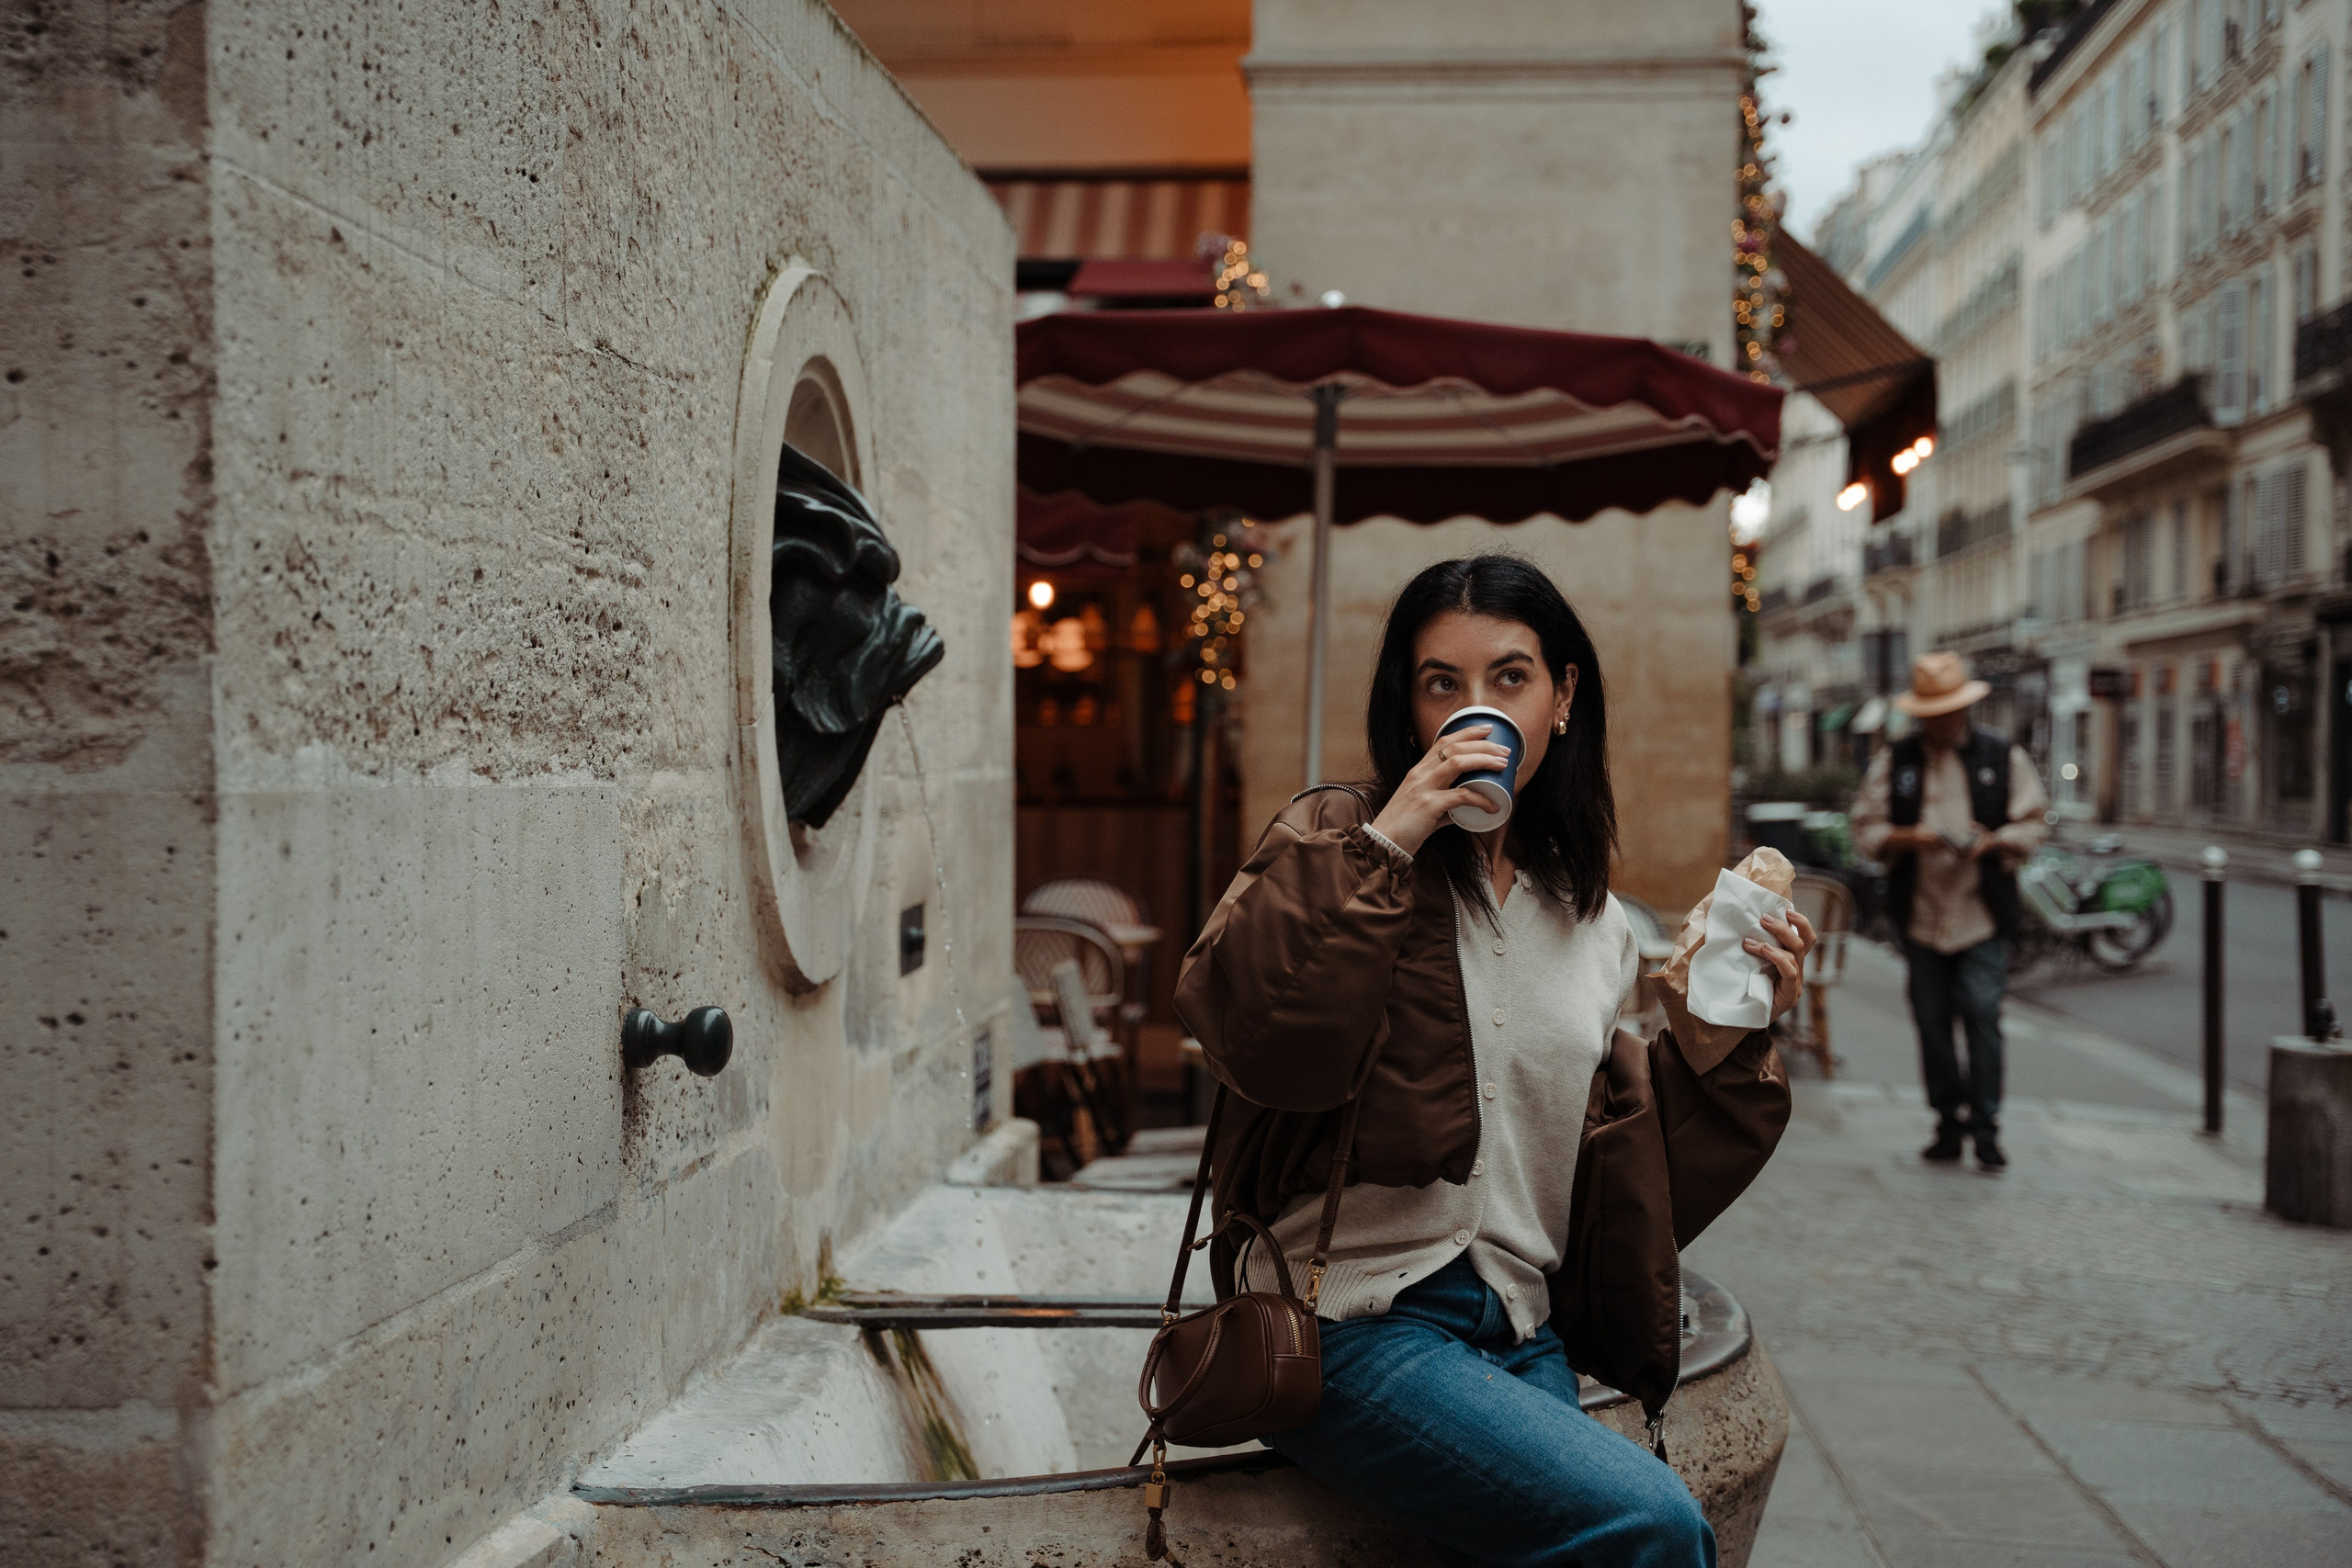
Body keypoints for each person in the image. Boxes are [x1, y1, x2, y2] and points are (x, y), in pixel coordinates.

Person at [1175, 556, 1814, 1568]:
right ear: (1410, 705)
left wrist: (1725, 1042)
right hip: (1347, 1323)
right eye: (1443, 683)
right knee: (1648, 1524)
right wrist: (1389, 843)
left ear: (1561, 697)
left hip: (1521, 1330)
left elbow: (1615, 1181)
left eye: (1509, 678)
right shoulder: (1334, 839)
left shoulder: (1590, 920)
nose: (1476, 709)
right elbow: (1256, 1038)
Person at [1852, 651, 2049, 1170]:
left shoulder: (2001, 755)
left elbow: (2033, 824)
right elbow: (1865, 830)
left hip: (1980, 914)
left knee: (1983, 1016)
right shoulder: (1898, 760)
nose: (1941, 721)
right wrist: (1906, 837)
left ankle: (1986, 1127)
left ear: (1964, 710)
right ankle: (1947, 1121)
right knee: (1933, 1024)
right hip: (1919, 914)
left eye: (1948, 711)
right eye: (1931, 713)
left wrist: (1993, 842)